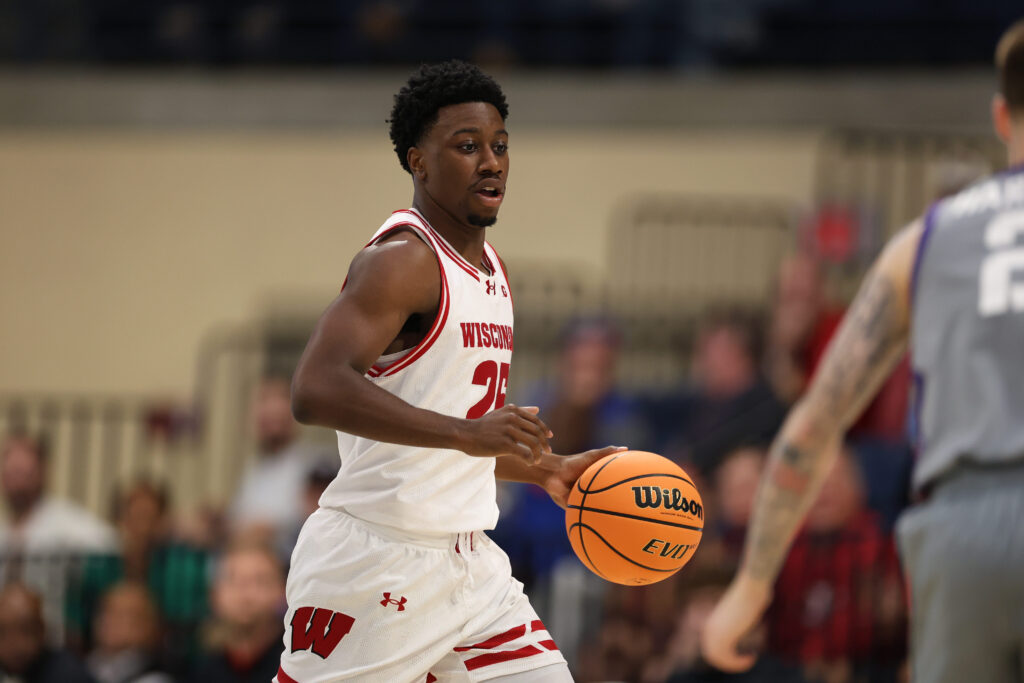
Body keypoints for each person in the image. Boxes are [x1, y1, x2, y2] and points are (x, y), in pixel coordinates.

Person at [276, 59, 621, 682]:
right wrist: (467, 434)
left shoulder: (492, 269)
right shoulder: (401, 261)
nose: (491, 162)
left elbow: (459, 435)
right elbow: (314, 388)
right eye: (467, 147)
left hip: (470, 571)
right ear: (419, 162)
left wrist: (547, 469)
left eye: (500, 146)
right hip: (375, 564)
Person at [702, 19, 1024, 683]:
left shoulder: (926, 240)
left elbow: (815, 423)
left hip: (963, 529)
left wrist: (753, 584)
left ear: (1000, 115)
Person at [229, 374, 321, 549]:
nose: (271, 408)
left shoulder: (316, 465)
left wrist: (270, 529)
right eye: (263, 401)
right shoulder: (255, 468)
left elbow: (317, 518)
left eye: (280, 400)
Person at [0, 431, 117, 555]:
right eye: (10, 474)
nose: (17, 485)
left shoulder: (66, 523)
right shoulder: (4, 529)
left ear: (42, 472)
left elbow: (109, 542)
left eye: (23, 473)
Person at [190, 541, 285, 683]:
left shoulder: (296, 664)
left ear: (282, 591)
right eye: (232, 580)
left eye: (260, 581)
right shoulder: (200, 665)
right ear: (214, 594)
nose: (244, 593)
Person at [0, 582, 95, 682]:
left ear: (42, 630)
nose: (13, 643)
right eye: (2, 632)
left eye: (25, 631)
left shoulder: (68, 675)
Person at [86, 582, 173, 683]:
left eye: (120, 615)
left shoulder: (155, 680)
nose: (107, 621)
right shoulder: (88, 666)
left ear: (146, 625)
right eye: (104, 611)